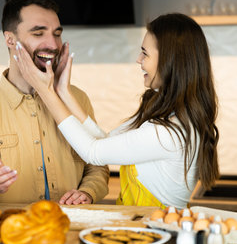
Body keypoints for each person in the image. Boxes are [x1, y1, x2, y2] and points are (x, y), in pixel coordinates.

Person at [14, 13, 219, 209]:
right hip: (145, 227)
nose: (139, 59)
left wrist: (45, 91)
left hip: (158, 231)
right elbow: (104, 143)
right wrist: (63, 92)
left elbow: (92, 153)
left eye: (145, 53)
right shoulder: (168, 114)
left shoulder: (168, 133)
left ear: (169, 60)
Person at [0, 0, 109, 208]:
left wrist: (88, 191)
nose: (53, 45)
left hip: (70, 228)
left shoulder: (76, 99)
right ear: (10, 39)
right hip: (13, 235)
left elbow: (98, 165)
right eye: (38, 33)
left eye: (57, 34)